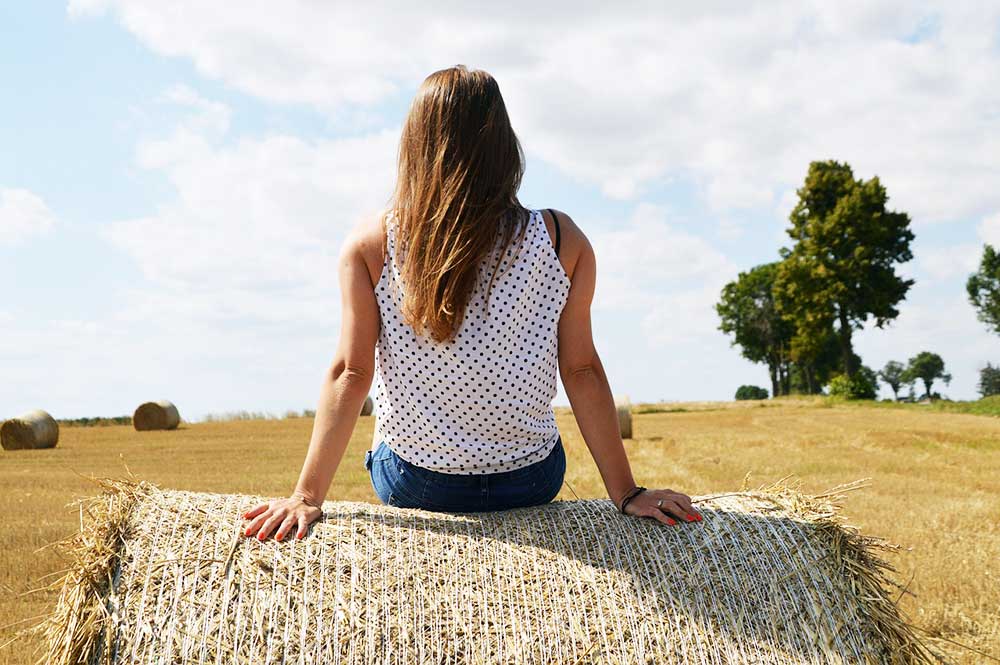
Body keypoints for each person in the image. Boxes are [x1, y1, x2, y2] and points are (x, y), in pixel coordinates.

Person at [243, 65, 701, 542]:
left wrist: (306, 497)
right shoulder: (563, 240)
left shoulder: (372, 243)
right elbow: (581, 369)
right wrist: (626, 492)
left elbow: (351, 373)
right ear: (505, 146)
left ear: (416, 146)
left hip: (417, 481)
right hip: (530, 479)